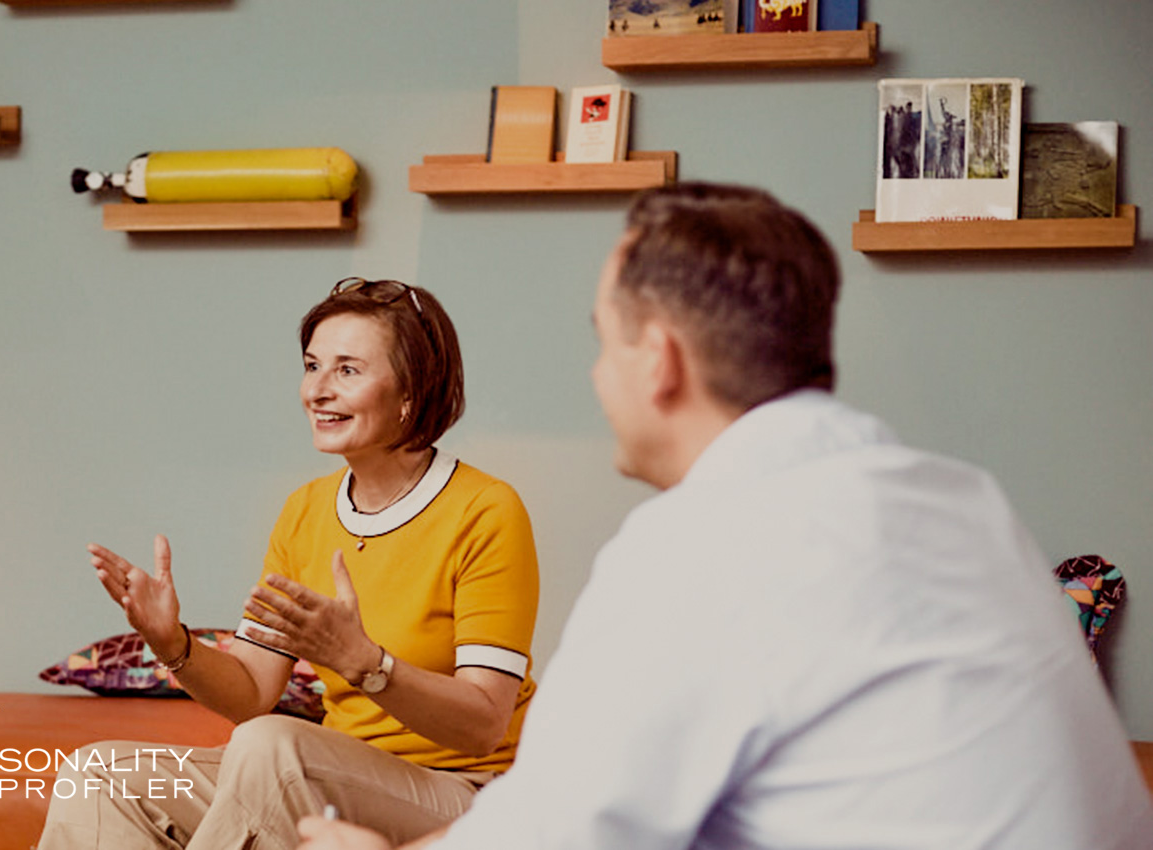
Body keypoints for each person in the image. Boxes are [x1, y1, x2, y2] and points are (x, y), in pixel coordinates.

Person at [297, 184, 1153, 850]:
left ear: (660, 360)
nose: (597, 377)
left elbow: (561, 833)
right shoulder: (963, 503)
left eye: (605, 341)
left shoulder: (703, 544)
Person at [37, 278, 540, 849]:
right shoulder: (305, 511)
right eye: (312, 366)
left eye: (347, 370)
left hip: (464, 794)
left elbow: (484, 724)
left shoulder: (485, 510)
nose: (317, 390)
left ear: (412, 390)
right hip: (335, 774)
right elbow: (253, 690)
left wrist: (366, 664)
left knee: (271, 747)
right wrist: (173, 642)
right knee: (99, 775)